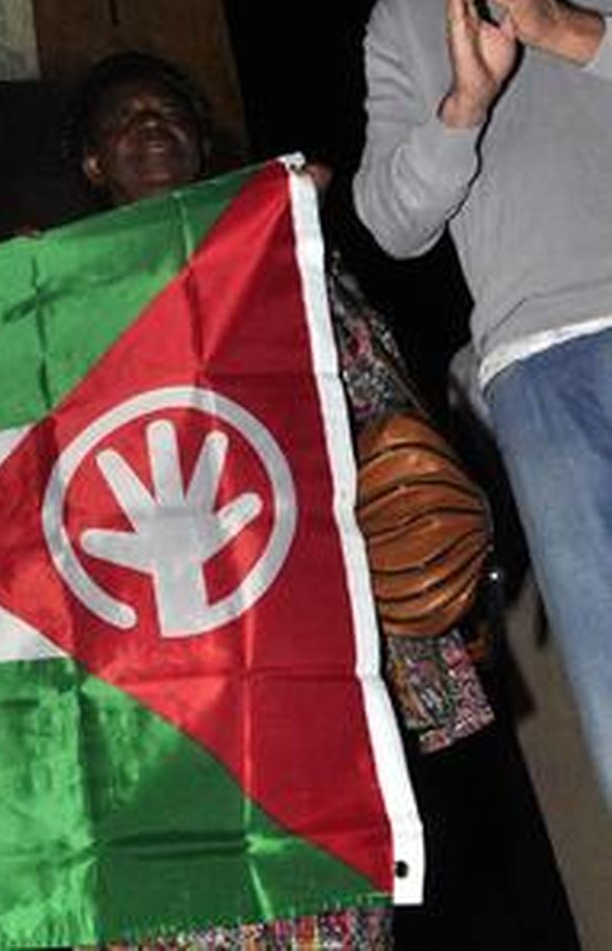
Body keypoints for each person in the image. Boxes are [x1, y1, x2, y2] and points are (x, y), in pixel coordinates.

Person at [72, 51, 576, 950]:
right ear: (93, 166)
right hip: (146, 655)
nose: (151, 126)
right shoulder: (53, 300)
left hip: (297, 616)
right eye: (124, 120)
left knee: (322, 880)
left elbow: (377, 403)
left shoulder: (287, 255)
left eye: (170, 112)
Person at [352, 0, 612, 811]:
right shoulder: (408, 13)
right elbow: (391, 222)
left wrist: (567, 32)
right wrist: (464, 101)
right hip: (536, 373)